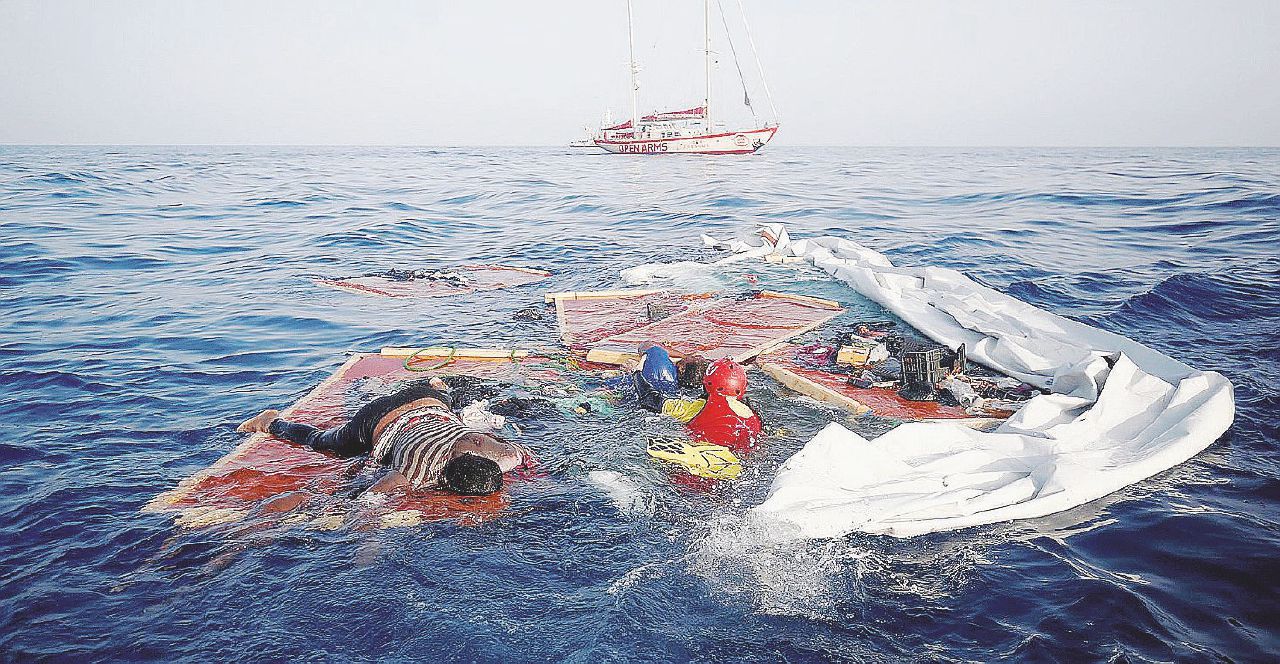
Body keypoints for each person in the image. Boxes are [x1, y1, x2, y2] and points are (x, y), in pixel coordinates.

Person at [236, 377, 530, 497]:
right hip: (376, 420)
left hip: (429, 400)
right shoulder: (416, 472)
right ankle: (271, 422)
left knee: (446, 406)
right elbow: (371, 499)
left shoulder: (502, 453)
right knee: (323, 442)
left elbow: (527, 455)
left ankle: (438, 386)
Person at [630, 345, 762, 451]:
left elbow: (649, 399)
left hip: (703, 453)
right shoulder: (753, 413)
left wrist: (637, 374)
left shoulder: (696, 408)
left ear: (708, 383)